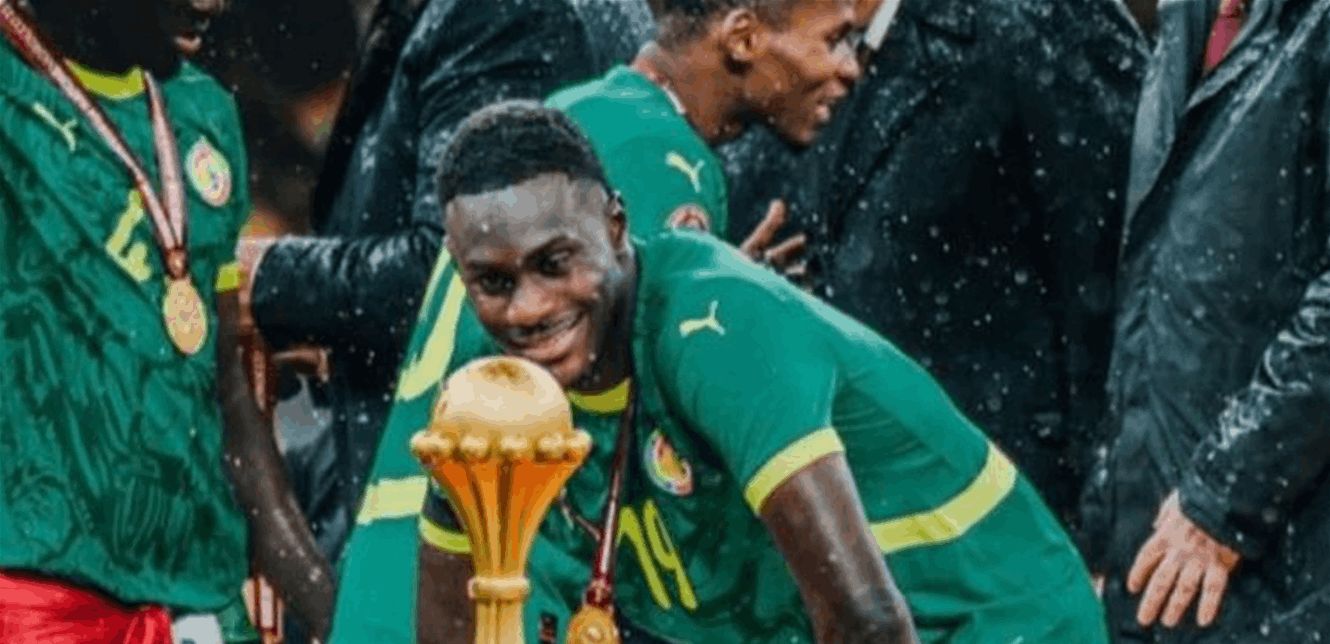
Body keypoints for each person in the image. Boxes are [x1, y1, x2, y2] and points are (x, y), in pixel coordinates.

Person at [411, 100, 1105, 643]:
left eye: (555, 263)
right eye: (493, 283)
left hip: (987, 622)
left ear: (616, 227)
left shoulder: (715, 326)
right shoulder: (489, 386)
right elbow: (452, 633)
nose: (528, 308)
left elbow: (867, 620)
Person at [332, 0, 862, 638]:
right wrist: (727, 329)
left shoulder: (580, 118)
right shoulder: (654, 154)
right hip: (494, 577)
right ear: (742, 37)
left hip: (404, 564)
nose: (849, 67)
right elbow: (614, 396)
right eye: (834, 39)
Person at [722, 0, 1146, 524]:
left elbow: (1122, 280)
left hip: (1018, 506)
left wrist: (1107, 518)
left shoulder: (1043, 19)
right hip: (860, 508)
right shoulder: (770, 47)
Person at [235, 0, 618, 570]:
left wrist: (272, 279)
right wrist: (338, 332)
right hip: (476, 487)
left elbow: (464, 269)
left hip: (487, 510)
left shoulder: (500, 13)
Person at [0, 0, 333, 639]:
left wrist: (329, 608)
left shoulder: (205, 112)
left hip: (200, 607)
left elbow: (228, 394)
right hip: (38, 605)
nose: (214, 2)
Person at [1081, 0, 1330, 640]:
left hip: (1277, 567)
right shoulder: (1187, 22)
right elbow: (1148, 283)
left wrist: (1223, 498)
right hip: (1162, 552)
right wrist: (1107, 522)